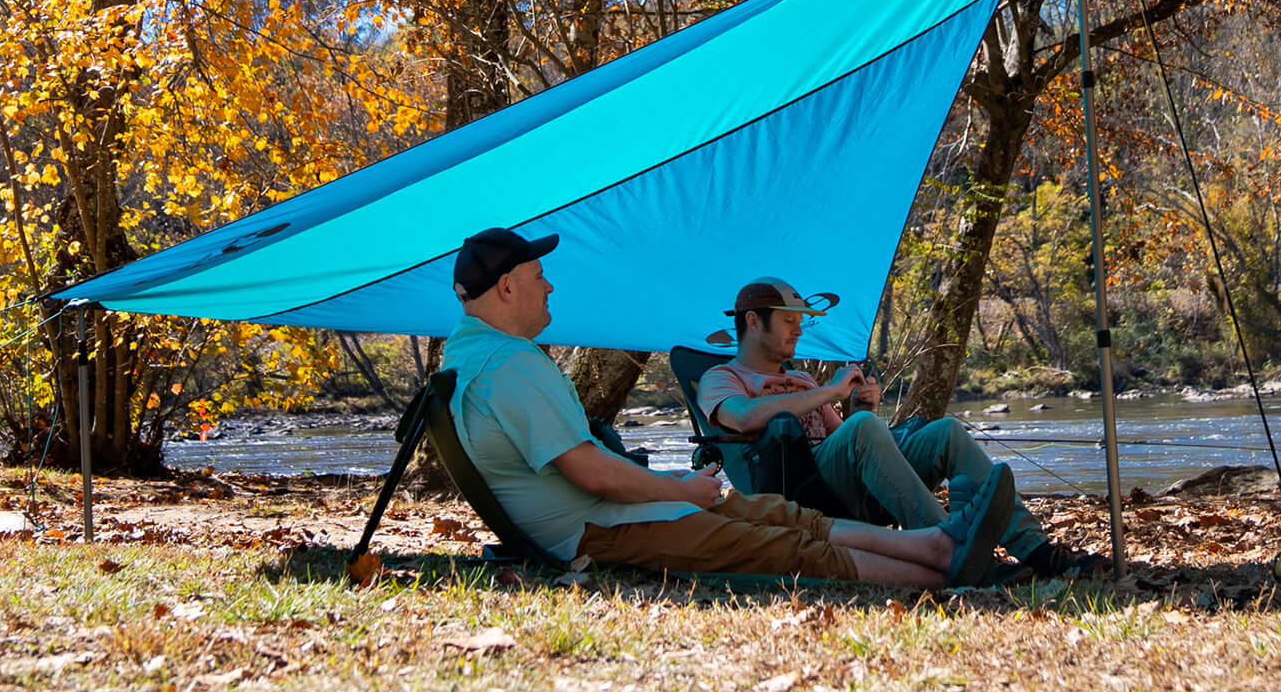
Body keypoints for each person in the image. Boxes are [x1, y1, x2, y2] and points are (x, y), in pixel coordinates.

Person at [443, 227, 1014, 589]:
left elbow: (584, 463)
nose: (549, 288)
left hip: (606, 513)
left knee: (786, 519)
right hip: (597, 530)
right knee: (783, 546)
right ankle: (943, 568)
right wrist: (678, 490)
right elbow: (588, 471)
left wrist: (668, 479)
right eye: (538, 278)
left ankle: (940, 542)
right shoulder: (508, 368)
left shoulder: (486, 359)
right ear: (507, 289)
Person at [696, 277, 1104, 582]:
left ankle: (1038, 551)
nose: (798, 331)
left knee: (945, 432)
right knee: (864, 428)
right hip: (792, 493)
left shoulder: (803, 380)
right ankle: (948, 551)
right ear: (753, 321)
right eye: (788, 321)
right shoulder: (722, 378)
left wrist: (855, 404)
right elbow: (744, 418)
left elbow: (847, 434)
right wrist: (832, 393)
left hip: (839, 482)